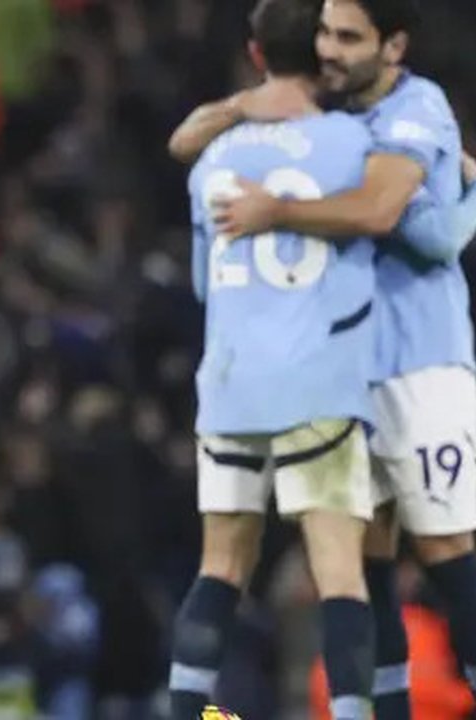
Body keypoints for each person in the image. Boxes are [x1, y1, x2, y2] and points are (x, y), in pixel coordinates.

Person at [170, 1, 476, 716]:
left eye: (348, 38)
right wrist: (243, 105)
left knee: (447, 551)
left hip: (419, 361)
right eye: (325, 35)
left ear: (392, 47)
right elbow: (183, 140)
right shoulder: (326, 119)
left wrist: (275, 211)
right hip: (346, 370)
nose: (332, 50)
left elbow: (407, 227)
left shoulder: (416, 108)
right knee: (369, 565)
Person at [170, 0, 382, 716]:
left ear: (256, 56)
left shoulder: (214, 160)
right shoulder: (351, 145)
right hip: (317, 379)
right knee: (339, 570)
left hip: (231, 384)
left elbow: (204, 284)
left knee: (221, 565)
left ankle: (184, 711)